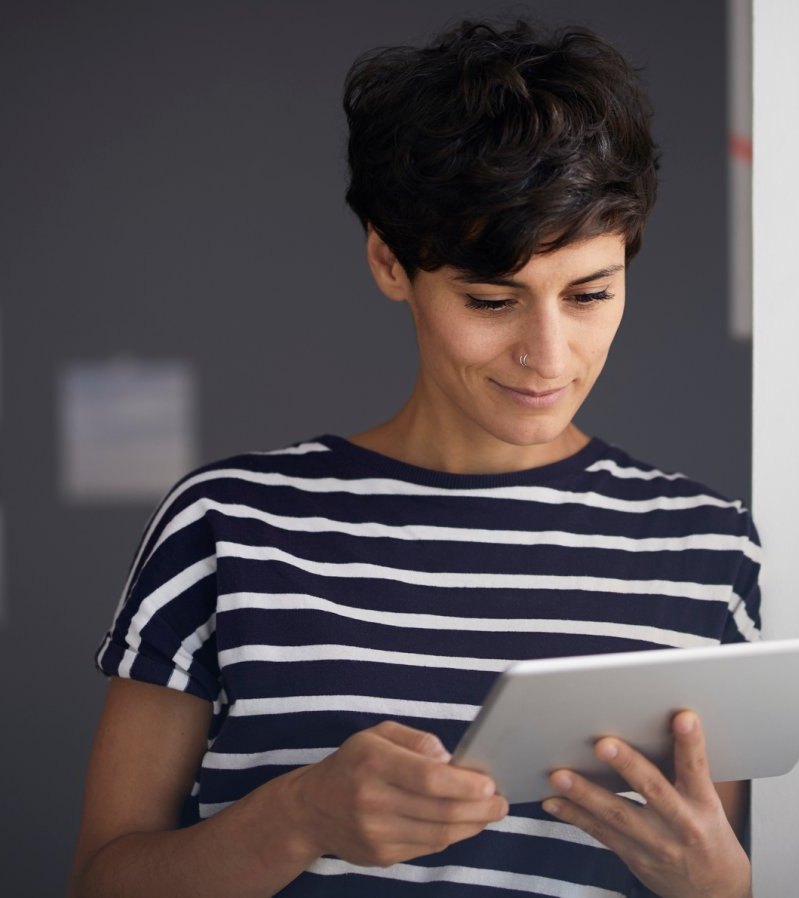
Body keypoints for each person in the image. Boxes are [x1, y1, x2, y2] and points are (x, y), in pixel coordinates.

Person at [68, 19, 762, 898]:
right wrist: (299, 816)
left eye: (590, 294)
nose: (549, 357)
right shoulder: (229, 526)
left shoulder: (706, 553)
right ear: (389, 261)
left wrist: (723, 888)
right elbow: (100, 882)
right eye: (490, 299)